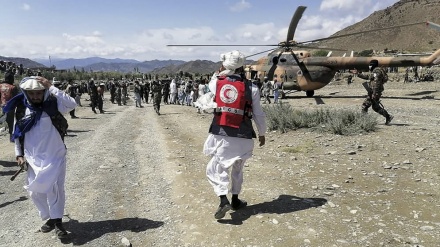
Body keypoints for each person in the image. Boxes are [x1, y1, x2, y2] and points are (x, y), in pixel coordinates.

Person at [3, 76, 77, 239]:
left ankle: (57, 222)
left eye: (38, 93)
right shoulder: (21, 108)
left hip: (55, 154)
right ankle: (50, 216)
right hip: (32, 157)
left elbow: (72, 104)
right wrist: (19, 154)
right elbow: (17, 132)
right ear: (26, 93)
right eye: (32, 93)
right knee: (35, 192)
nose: (35, 96)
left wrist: (51, 87)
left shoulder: (53, 104)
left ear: (43, 92)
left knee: (55, 190)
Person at [202, 50, 267, 219]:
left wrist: (220, 70)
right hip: (244, 134)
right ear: (242, 67)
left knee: (216, 168)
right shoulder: (252, 87)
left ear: (225, 66)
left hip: (222, 133)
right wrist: (262, 133)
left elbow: (213, 81)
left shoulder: (217, 82)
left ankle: (224, 200)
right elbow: (259, 114)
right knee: (238, 168)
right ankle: (236, 200)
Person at [357, 60, 393, 125]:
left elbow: (377, 83)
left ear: (373, 65)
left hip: (374, 92)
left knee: (365, 106)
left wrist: (375, 93)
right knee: (375, 107)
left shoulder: (377, 71)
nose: (369, 66)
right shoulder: (375, 71)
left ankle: (364, 121)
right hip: (374, 91)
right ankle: (388, 116)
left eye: (370, 65)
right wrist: (358, 74)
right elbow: (368, 77)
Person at [0, 70, 20, 139]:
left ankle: (10, 134)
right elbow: (16, 98)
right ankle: (12, 136)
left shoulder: (0, 86)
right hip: (11, 106)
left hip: (3, 106)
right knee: (12, 121)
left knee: (7, 120)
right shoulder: (13, 87)